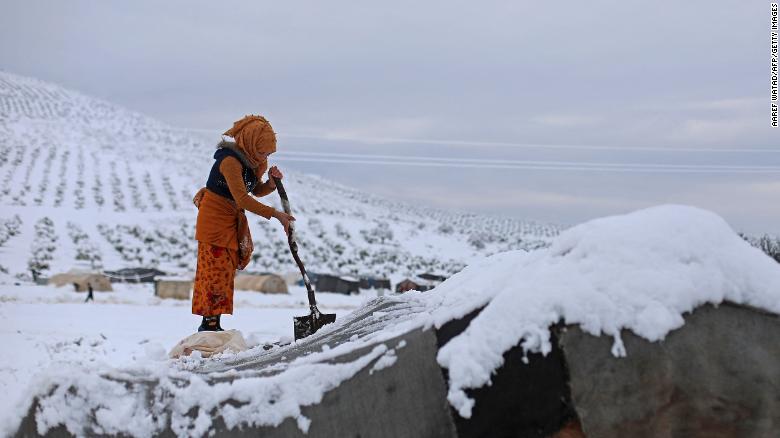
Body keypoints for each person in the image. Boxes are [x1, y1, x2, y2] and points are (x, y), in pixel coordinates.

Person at [192, 115, 294, 332]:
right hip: (214, 219)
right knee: (213, 270)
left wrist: (272, 183)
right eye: (261, 152)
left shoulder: (255, 162)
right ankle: (208, 325)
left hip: (231, 218)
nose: (264, 157)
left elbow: (255, 190)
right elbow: (243, 198)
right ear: (249, 143)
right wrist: (276, 214)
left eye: (268, 153)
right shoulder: (229, 161)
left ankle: (215, 323)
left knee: (226, 270)